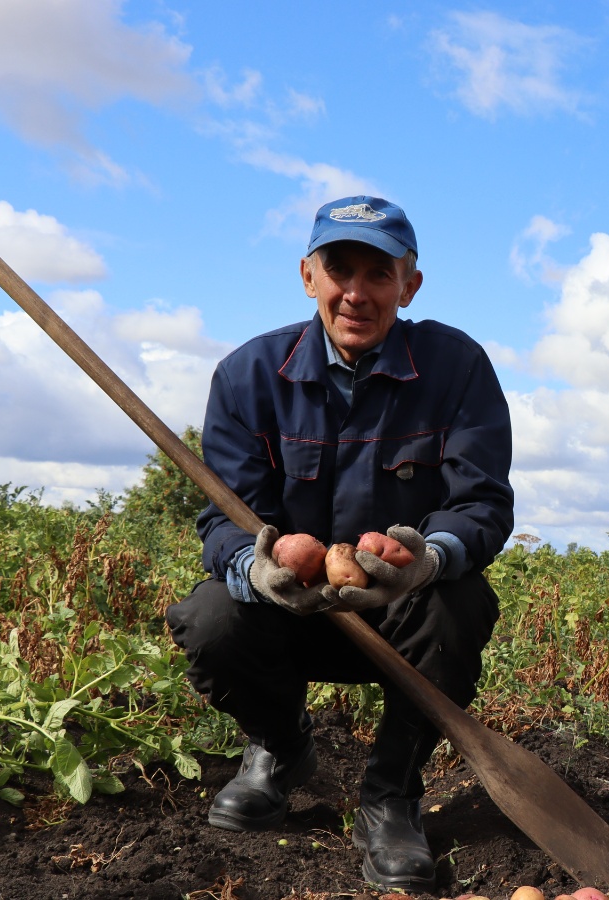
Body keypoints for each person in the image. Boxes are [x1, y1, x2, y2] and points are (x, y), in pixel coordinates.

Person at [164, 196, 513, 894]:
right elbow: (223, 521)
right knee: (209, 617)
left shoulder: (455, 368)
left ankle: (391, 795)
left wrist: (427, 558)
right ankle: (281, 750)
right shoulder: (249, 376)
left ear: (409, 286)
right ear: (307, 275)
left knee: (461, 606)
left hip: (398, 614)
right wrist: (256, 567)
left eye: (378, 274)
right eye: (339, 269)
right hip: (289, 616)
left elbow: (481, 503)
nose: (356, 292)